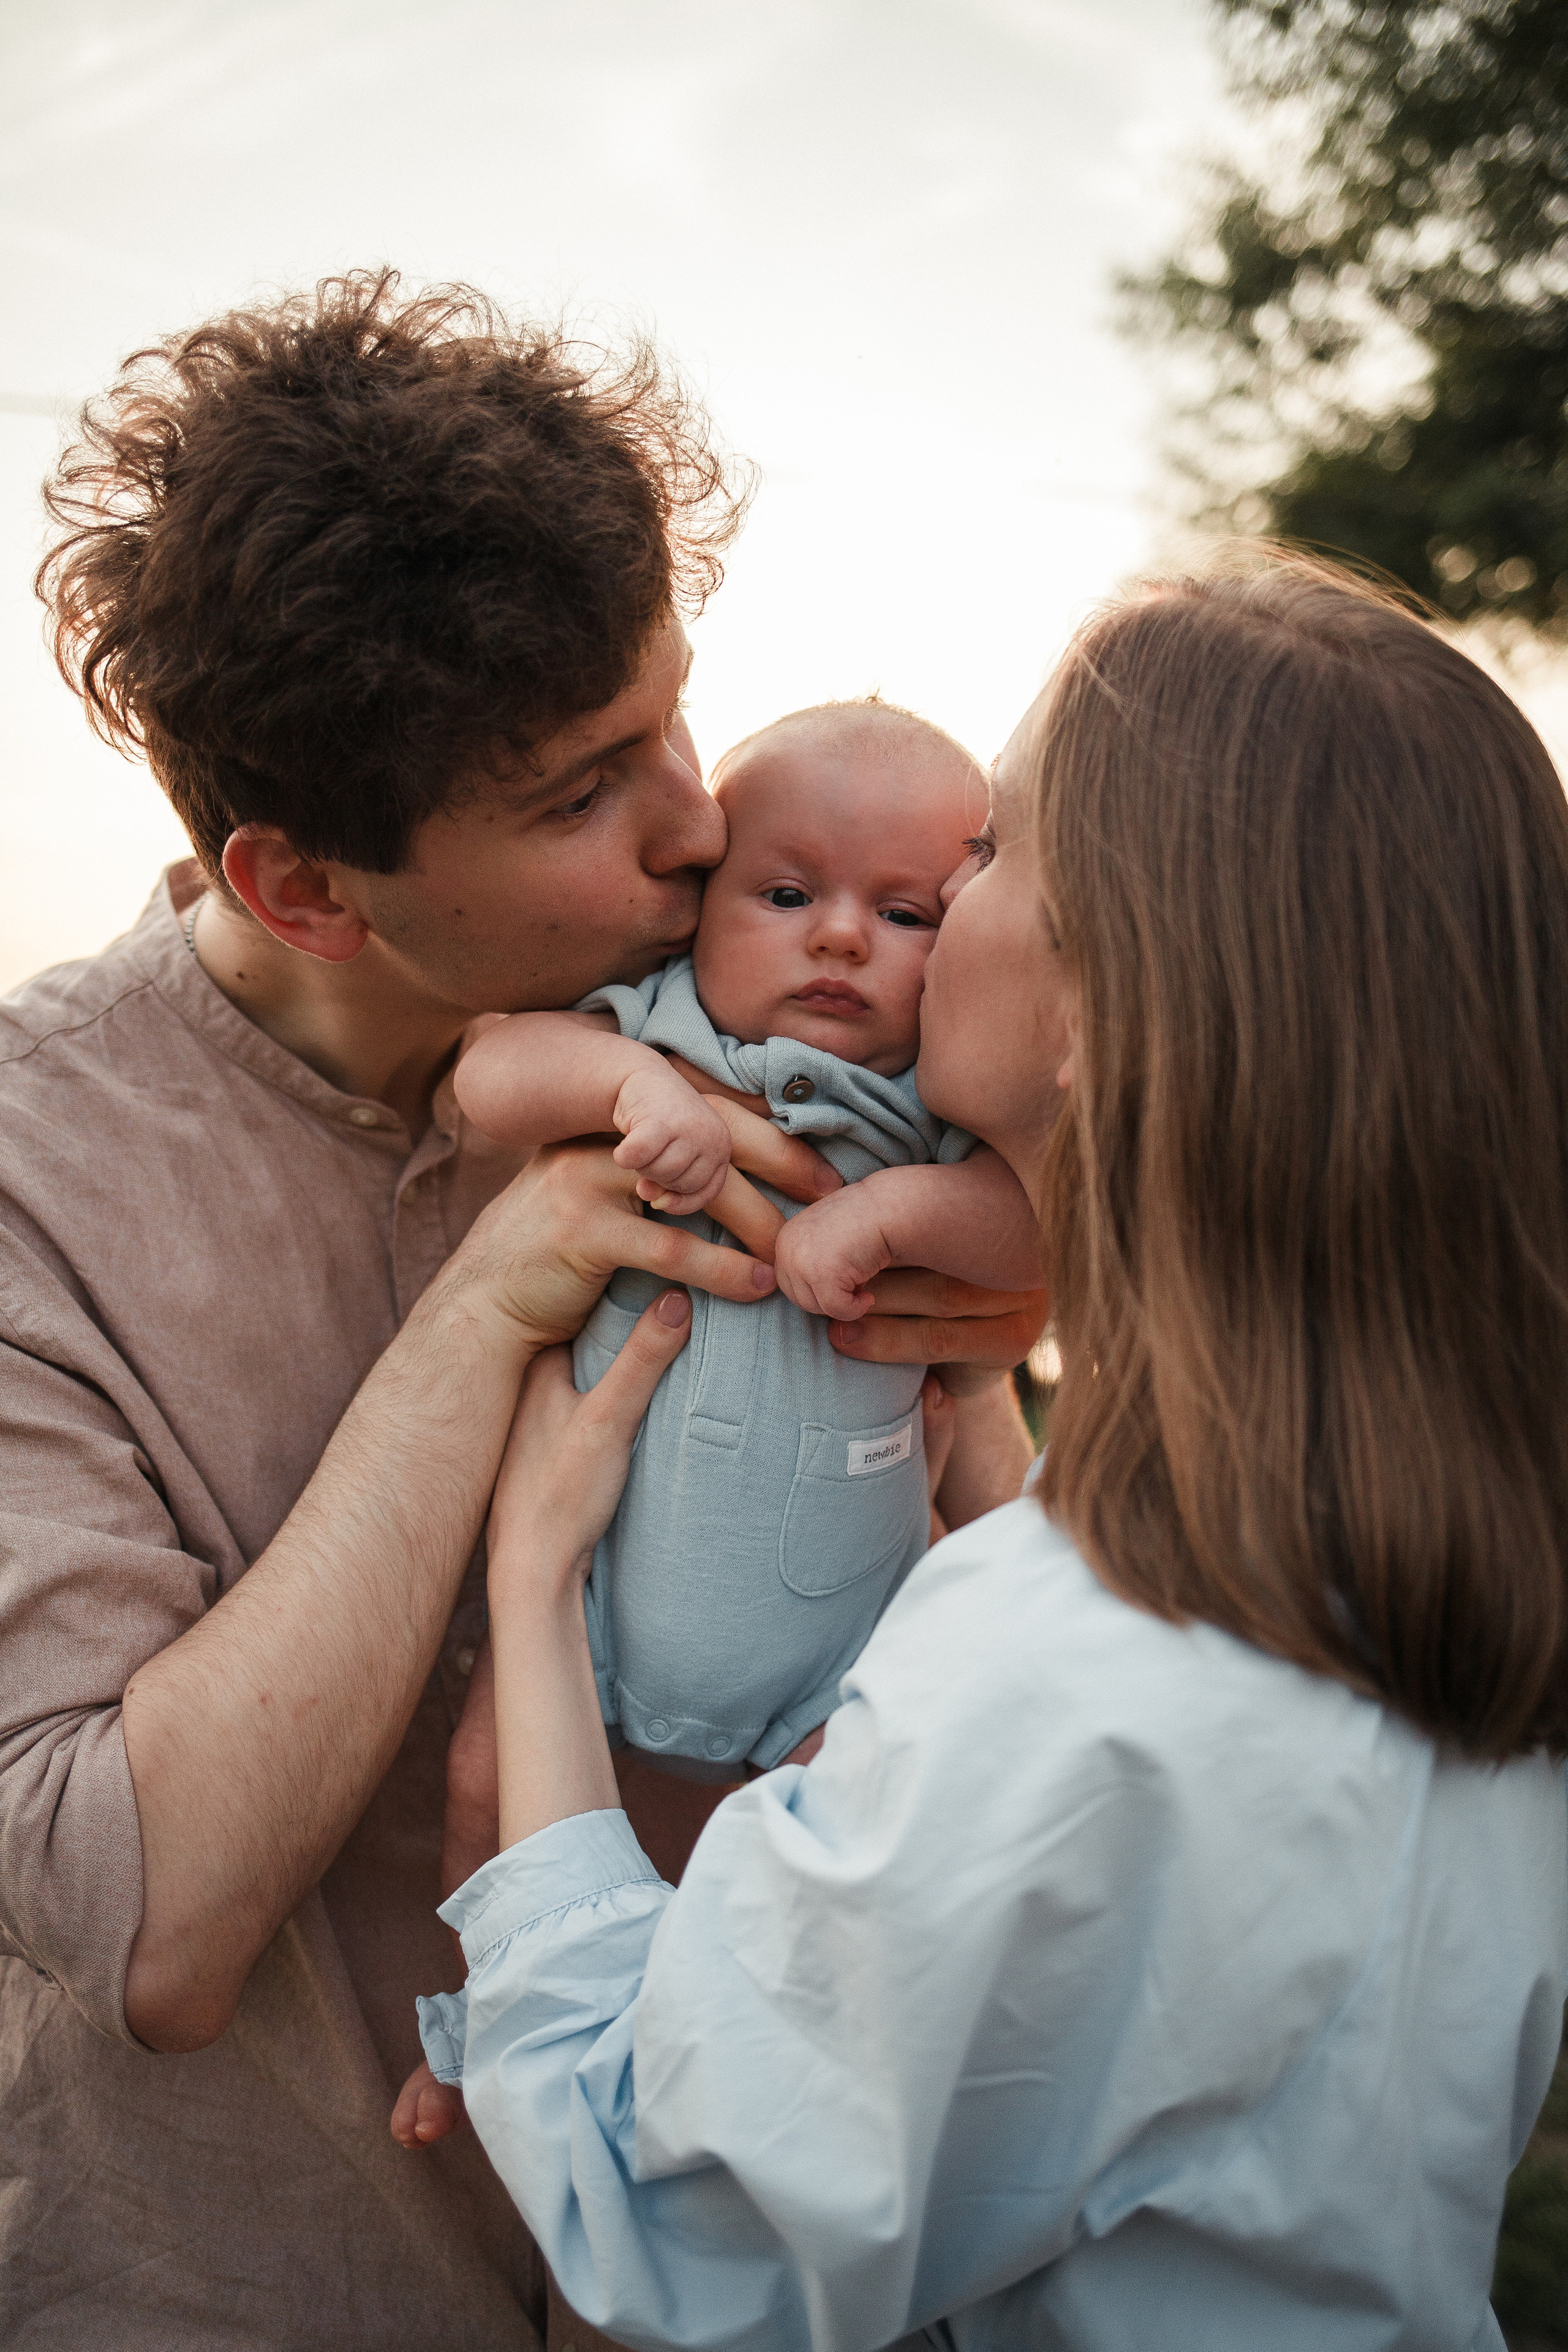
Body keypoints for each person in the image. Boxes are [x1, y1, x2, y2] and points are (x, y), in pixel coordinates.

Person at [0, 269, 1045, 2352]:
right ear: (305, 889)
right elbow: (145, 1933)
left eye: (672, 707)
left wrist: (1034, 1276)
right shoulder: (35, 1185)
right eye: (584, 792)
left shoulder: (769, 1025)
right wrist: (487, 1305)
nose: (695, 815)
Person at [412, 555, 1568, 2351]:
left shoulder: (1068, 1670)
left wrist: (532, 1577)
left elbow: (660, 2204)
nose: (941, 902)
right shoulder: (1461, 1587)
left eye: (996, 857)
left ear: (1111, 1003)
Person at [454, 700, 1043, 1779]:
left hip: (845, 1649)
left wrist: (894, 1213)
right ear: (700, 912)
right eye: (785, 895)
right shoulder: (665, 1027)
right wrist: (630, 1086)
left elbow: (1027, 1228)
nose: (840, 935)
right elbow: (490, 1079)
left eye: (908, 915)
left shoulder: (934, 1089)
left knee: (840, 1849)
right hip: (588, 1601)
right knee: (488, 1794)